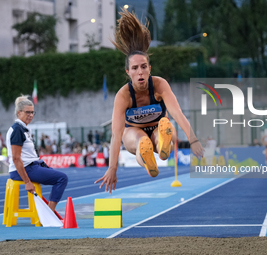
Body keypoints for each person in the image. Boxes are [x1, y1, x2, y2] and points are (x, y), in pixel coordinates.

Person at [95, 9, 204, 193]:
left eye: (144, 67)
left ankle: (162, 143)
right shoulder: (123, 95)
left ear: (150, 68)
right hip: (133, 131)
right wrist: (112, 168)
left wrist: (193, 139)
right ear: (128, 72)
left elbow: (177, 113)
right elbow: (116, 133)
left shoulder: (160, 85)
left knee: (162, 132)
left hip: (157, 127)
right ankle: (147, 157)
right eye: (135, 68)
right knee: (140, 141)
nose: (140, 72)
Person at [6, 95, 68, 211]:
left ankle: (49, 210)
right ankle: (50, 212)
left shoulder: (23, 129)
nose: (30, 115)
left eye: (33, 112)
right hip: (23, 170)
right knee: (62, 178)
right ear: (19, 113)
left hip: (31, 167)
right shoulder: (17, 130)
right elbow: (15, 158)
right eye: (27, 112)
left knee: (57, 176)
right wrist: (27, 182)